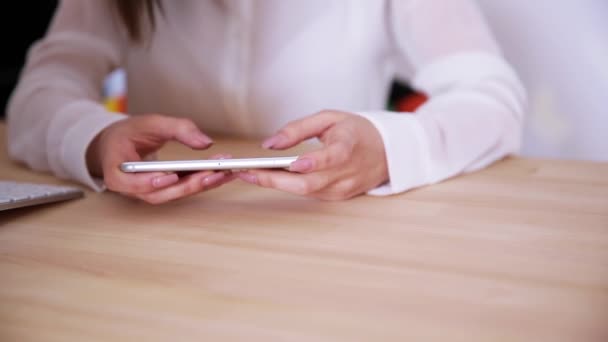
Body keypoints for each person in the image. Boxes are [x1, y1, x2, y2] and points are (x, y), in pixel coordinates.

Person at [6, 0, 526, 204]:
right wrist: (96, 141)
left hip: (334, 246)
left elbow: (493, 95)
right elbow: (40, 92)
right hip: (156, 247)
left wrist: (387, 148)